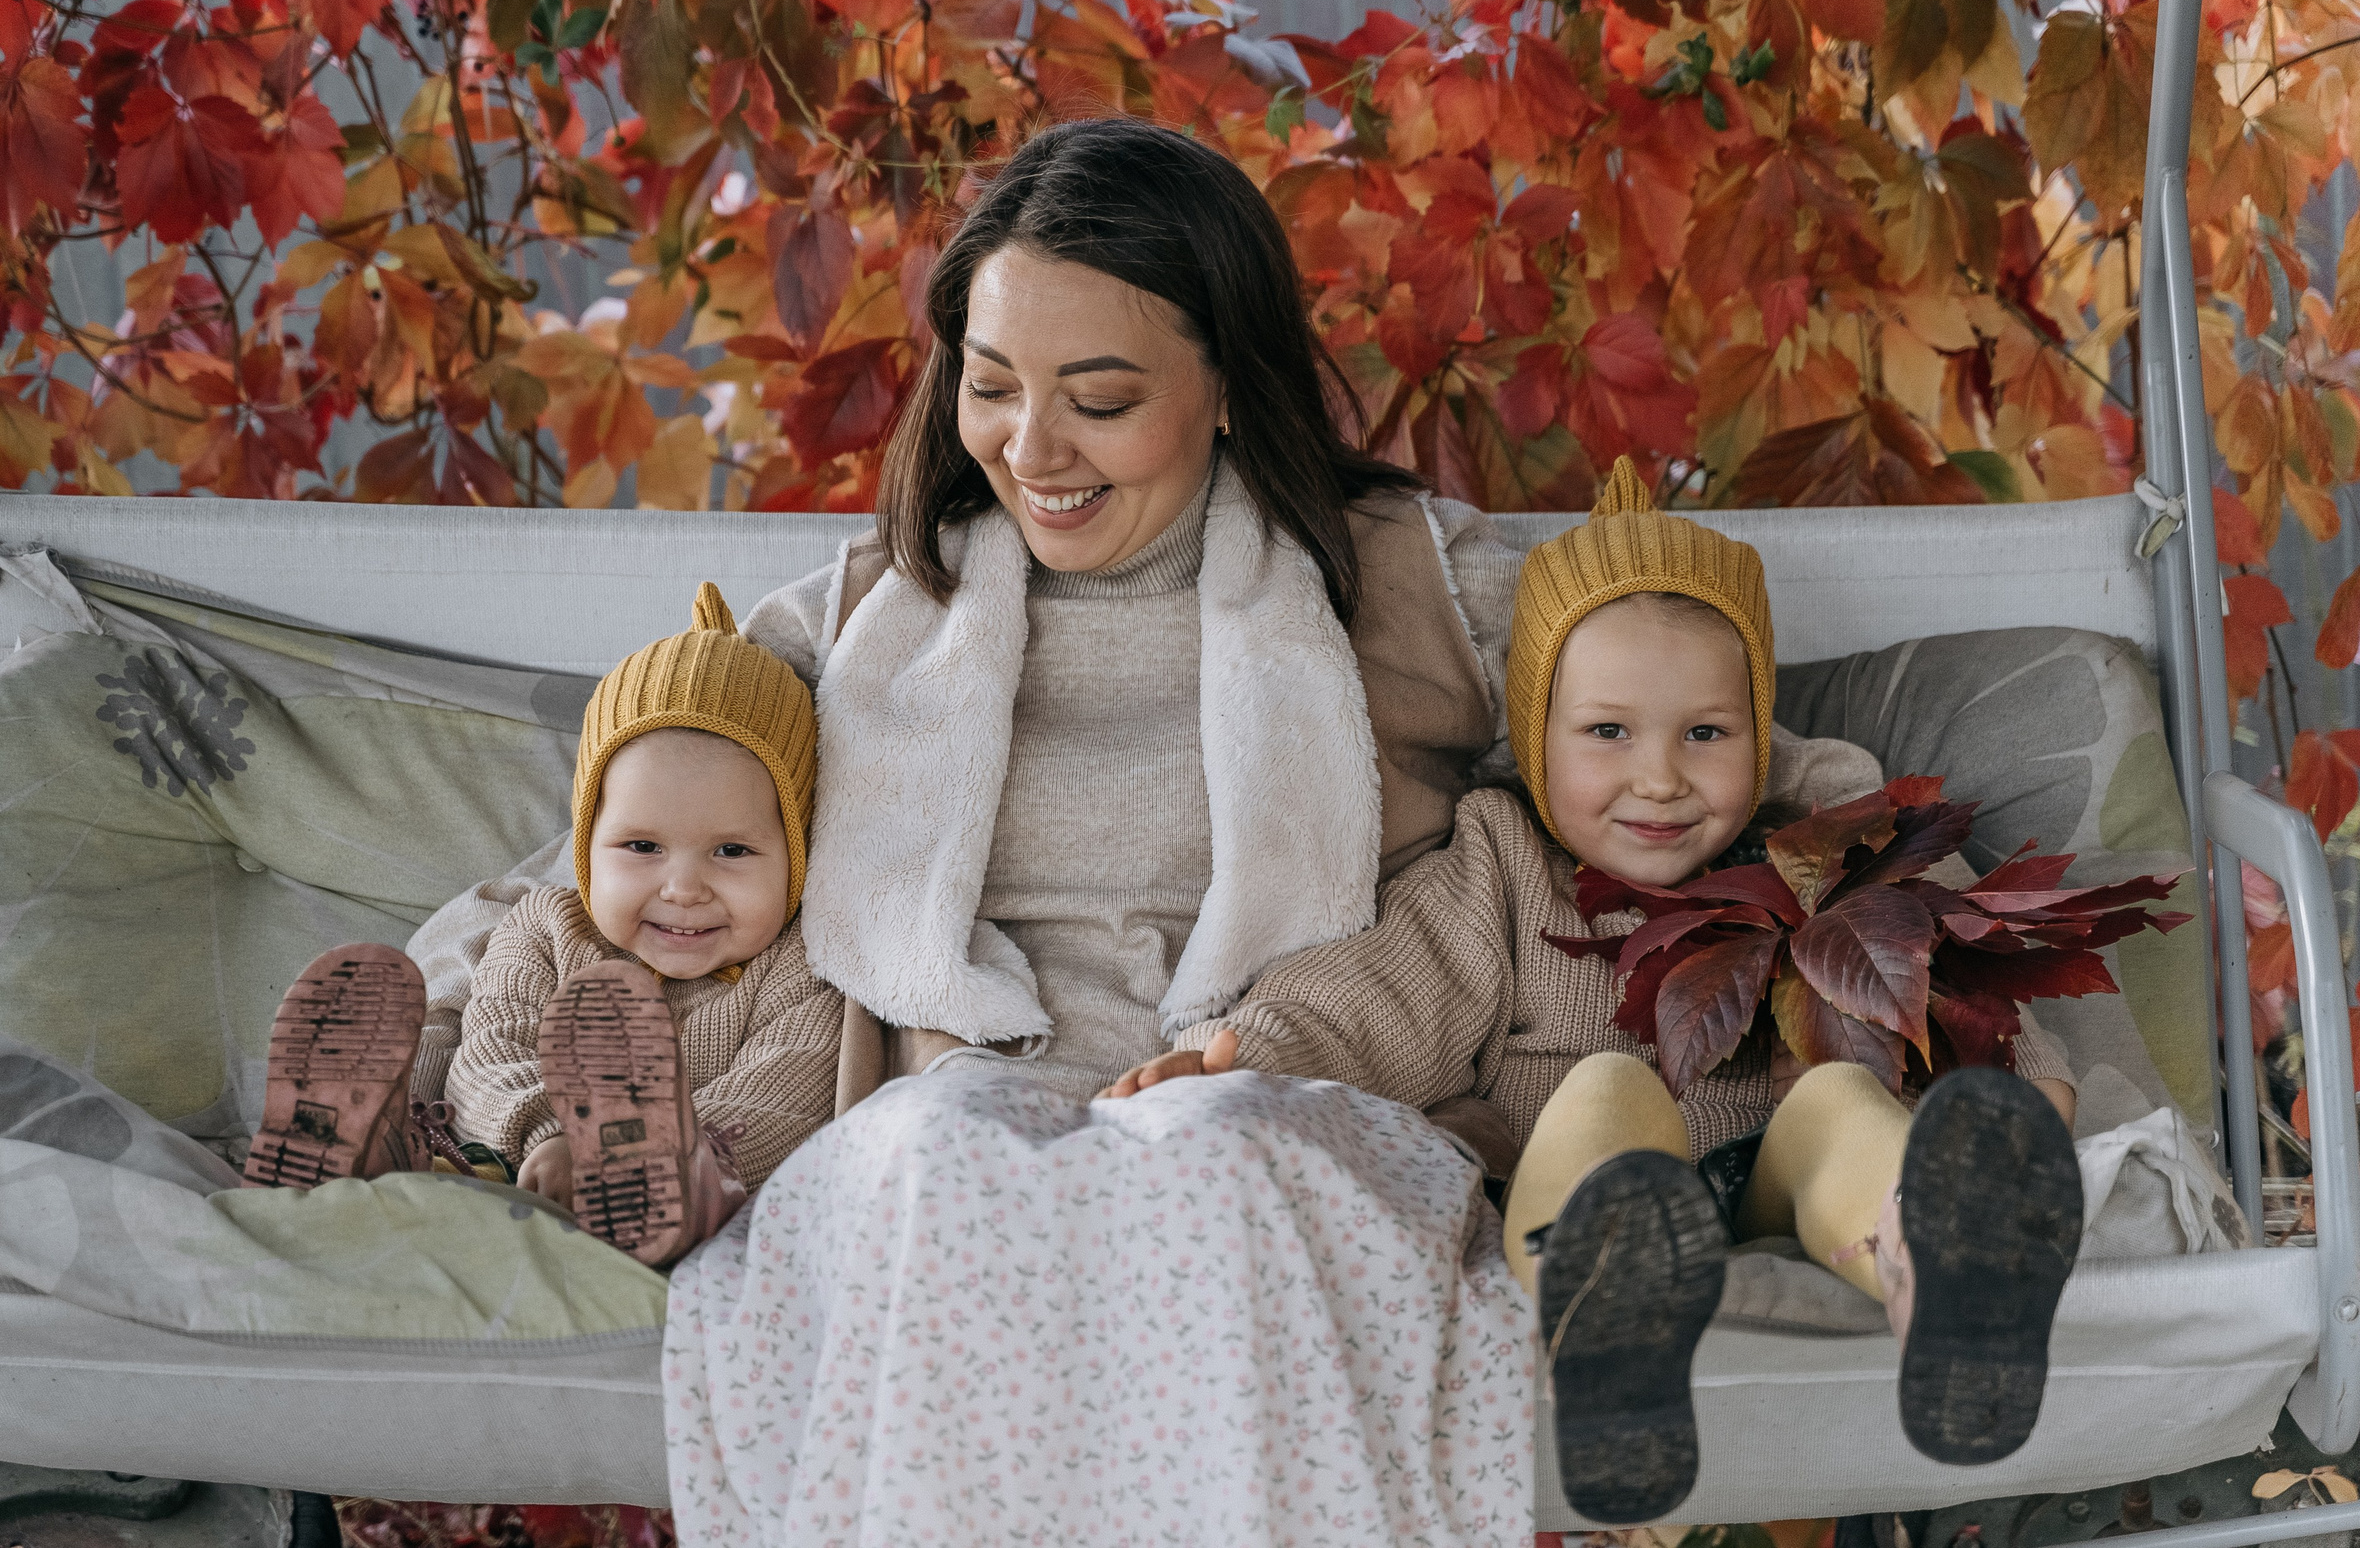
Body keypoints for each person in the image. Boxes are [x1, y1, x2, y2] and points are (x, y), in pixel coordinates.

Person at [408, 115, 1572, 1546]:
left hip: (1263, 1108)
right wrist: (438, 1032)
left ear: (1225, 384)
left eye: (1098, 394)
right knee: (943, 1147)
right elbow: (615, 854)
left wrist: (1876, 872)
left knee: (1210, 1164)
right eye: (993, 383)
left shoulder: (1404, 583)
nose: (1033, 447)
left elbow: (1673, 714)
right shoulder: (867, 615)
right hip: (949, 1124)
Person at [1109, 457, 2087, 1525]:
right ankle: (1610, 1334)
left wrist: (2027, 1095)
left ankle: (1947, 1271)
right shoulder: (1503, 864)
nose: (1659, 778)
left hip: (1770, 1179)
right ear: (1536, 739)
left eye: (1705, 734)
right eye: (1607, 733)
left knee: (1838, 1104)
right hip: (1583, 1176)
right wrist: (1241, 1053)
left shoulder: (1819, 862)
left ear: (1759, 735)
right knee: (1606, 1093)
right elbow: (1381, 996)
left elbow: (1953, 987)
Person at [243, 584, 842, 1269]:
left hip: (695, 1187)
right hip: (501, 1166)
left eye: (732, 851)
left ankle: (668, 1181)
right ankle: (359, 1140)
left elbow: (787, 1096)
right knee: (436, 1067)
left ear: (795, 853)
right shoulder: (547, 927)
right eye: (641, 847)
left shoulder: (804, 964)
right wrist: (553, 1139)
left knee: (720, 1172)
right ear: (585, 844)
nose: (682, 887)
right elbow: (491, 1048)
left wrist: (659, 1153)